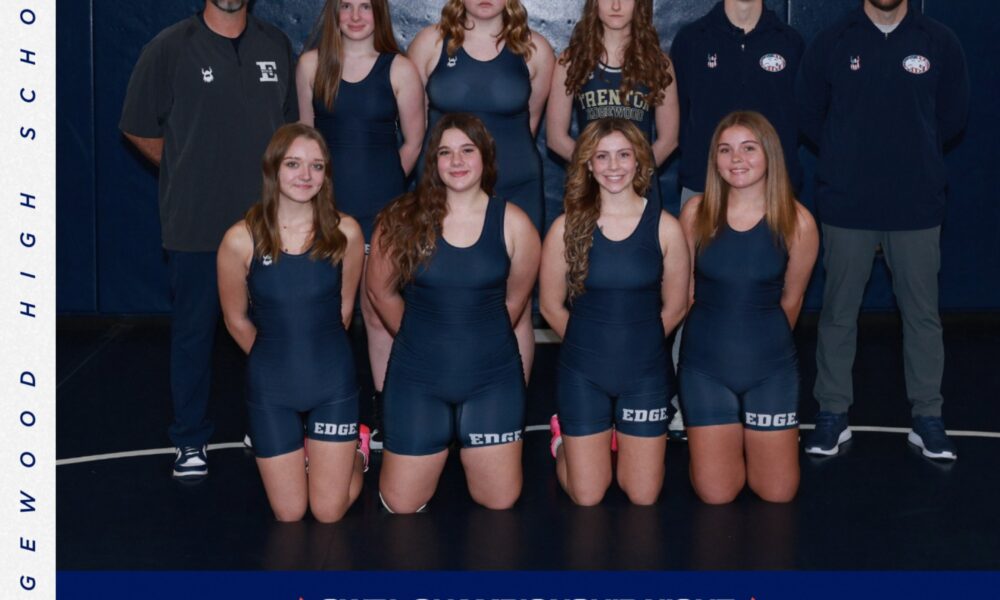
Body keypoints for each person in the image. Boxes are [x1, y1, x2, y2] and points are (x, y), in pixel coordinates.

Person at [119, 0, 298, 479]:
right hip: (196, 225)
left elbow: (290, 135)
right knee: (194, 334)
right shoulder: (170, 47)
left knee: (271, 333)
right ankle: (190, 438)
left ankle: (265, 426)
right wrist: (185, 165)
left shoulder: (275, 44)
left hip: (265, 225)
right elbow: (137, 126)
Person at [797, 0, 969, 460]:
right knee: (838, 312)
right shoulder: (833, 42)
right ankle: (832, 414)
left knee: (922, 316)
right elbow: (809, 114)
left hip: (916, 205)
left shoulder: (939, 41)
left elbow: (952, 117)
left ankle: (928, 418)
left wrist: (914, 157)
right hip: (847, 204)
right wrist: (845, 158)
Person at [366, 114, 541, 513]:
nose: (457, 161)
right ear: (434, 161)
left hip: (490, 379)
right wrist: (421, 337)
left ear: (486, 157)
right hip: (418, 377)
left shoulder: (515, 224)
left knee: (498, 501)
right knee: (400, 504)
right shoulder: (401, 219)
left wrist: (476, 341)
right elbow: (379, 291)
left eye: (467, 150)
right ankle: (360, 452)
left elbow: (514, 303)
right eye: (445, 152)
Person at [217, 123, 368, 522]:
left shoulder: (346, 233)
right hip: (272, 387)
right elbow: (235, 319)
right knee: (289, 512)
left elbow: (344, 310)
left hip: (332, 381)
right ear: (273, 168)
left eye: (316, 166)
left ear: (326, 174)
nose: (306, 175)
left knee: (328, 512)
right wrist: (277, 358)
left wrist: (309, 357)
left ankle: (357, 451)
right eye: (293, 164)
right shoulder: (240, 239)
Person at [668, 0, 804, 440]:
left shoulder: (790, 42)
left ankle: (763, 387)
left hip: (771, 195)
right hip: (703, 189)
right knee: (693, 293)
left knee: (764, 292)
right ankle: (685, 400)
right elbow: (679, 114)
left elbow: (806, 116)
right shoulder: (691, 40)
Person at [295, 0, 426, 449]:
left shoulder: (400, 69)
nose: (355, 16)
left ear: (379, 14)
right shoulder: (311, 65)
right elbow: (306, 141)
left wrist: (383, 189)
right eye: (346, 6)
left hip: (381, 210)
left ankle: (385, 411)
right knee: (321, 311)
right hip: (325, 211)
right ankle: (319, 407)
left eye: (365, 7)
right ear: (334, 14)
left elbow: (413, 142)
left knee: (375, 309)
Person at [540, 119, 689, 506]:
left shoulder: (666, 228)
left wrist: (638, 343)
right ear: (588, 165)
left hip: (644, 373)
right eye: (602, 157)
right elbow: (549, 305)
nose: (613, 166)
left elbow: (676, 305)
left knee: (642, 495)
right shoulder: (565, 228)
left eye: (623, 155)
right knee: (588, 496)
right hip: (584, 372)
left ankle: (613, 440)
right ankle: (562, 443)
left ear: (639, 161)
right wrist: (590, 344)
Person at [407, 0, 554, 381]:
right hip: (444, 192)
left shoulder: (535, 49)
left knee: (516, 301)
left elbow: (531, 122)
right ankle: (442, 387)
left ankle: (509, 398)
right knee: (440, 294)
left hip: (516, 188)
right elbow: (415, 125)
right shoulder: (430, 43)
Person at [678, 111, 818, 504]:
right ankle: (718, 443)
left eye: (748, 148)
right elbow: (685, 293)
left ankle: (751, 437)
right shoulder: (696, 214)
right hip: (705, 367)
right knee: (716, 494)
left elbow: (792, 300)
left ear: (769, 154)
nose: (736, 158)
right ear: (715, 160)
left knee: (778, 493)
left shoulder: (798, 222)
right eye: (725, 150)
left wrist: (759, 348)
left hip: (769, 369)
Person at [545, 0, 678, 217]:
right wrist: (594, 167)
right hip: (589, 185)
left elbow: (669, 140)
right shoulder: (571, 61)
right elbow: (555, 138)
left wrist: (635, 171)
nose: (616, 6)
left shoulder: (658, 63)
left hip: (641, 185)